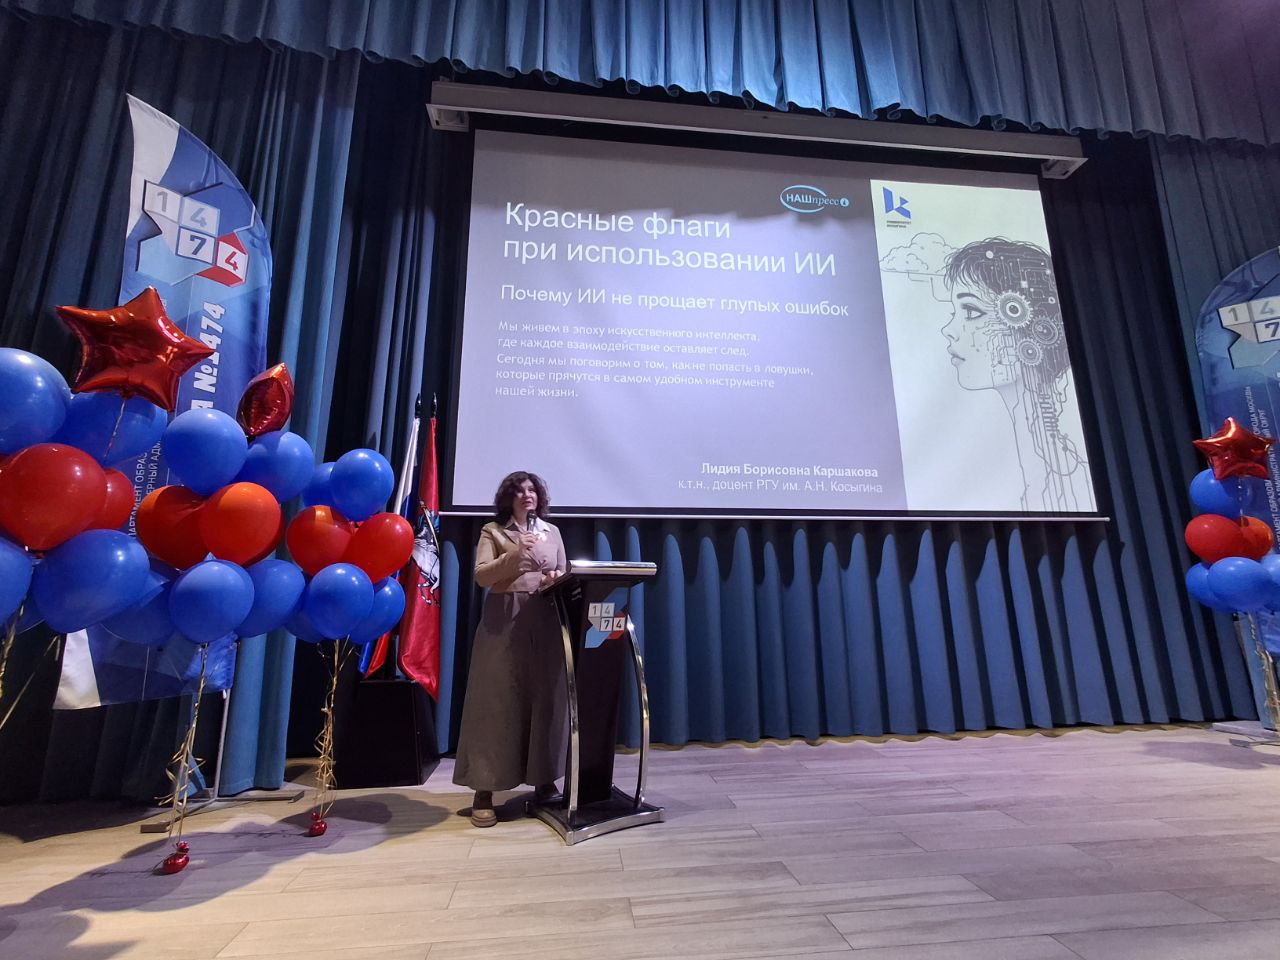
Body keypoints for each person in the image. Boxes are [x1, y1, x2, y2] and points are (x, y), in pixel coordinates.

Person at [940, 237, 1093, 512]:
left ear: (1024, 322)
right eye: (954, 312)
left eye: (971, 312)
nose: (948, 330)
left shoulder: (1068, 482)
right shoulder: (1029, 477)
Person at [452, 470, 568, 827]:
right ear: (508, 498)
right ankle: (484, 789)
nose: (526, 494)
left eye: (532, 489)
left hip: (545, 619)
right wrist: (516, 554)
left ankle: (544, 780)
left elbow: (563, 572)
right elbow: (482, 576)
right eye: (519, 490)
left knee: (544, 699)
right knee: (496, 702)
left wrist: (556, 578)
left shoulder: (552, 532)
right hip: (503, 621)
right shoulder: (493, 531)